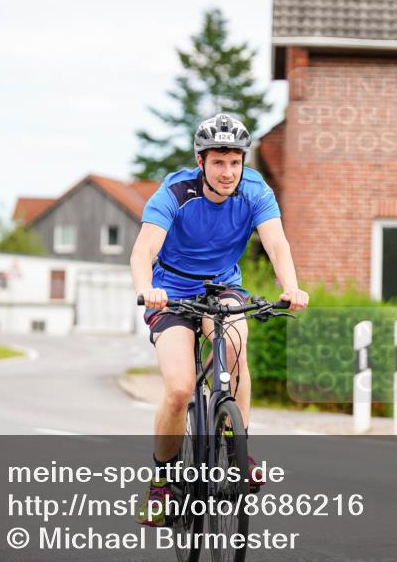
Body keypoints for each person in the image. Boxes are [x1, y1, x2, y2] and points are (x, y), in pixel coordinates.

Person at [130, 113, 309, 527]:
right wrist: (148, 289)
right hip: (170, 291)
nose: (228, 172)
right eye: (218, 162)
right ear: (201, 161)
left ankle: (235, 447)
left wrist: (292, 286)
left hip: (222, 286)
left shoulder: (255, 191)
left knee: (234, 351)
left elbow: (277, 245)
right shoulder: (174, 193)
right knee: (178, 390)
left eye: (234, 162)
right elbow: (142, 253)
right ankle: (162, 482)